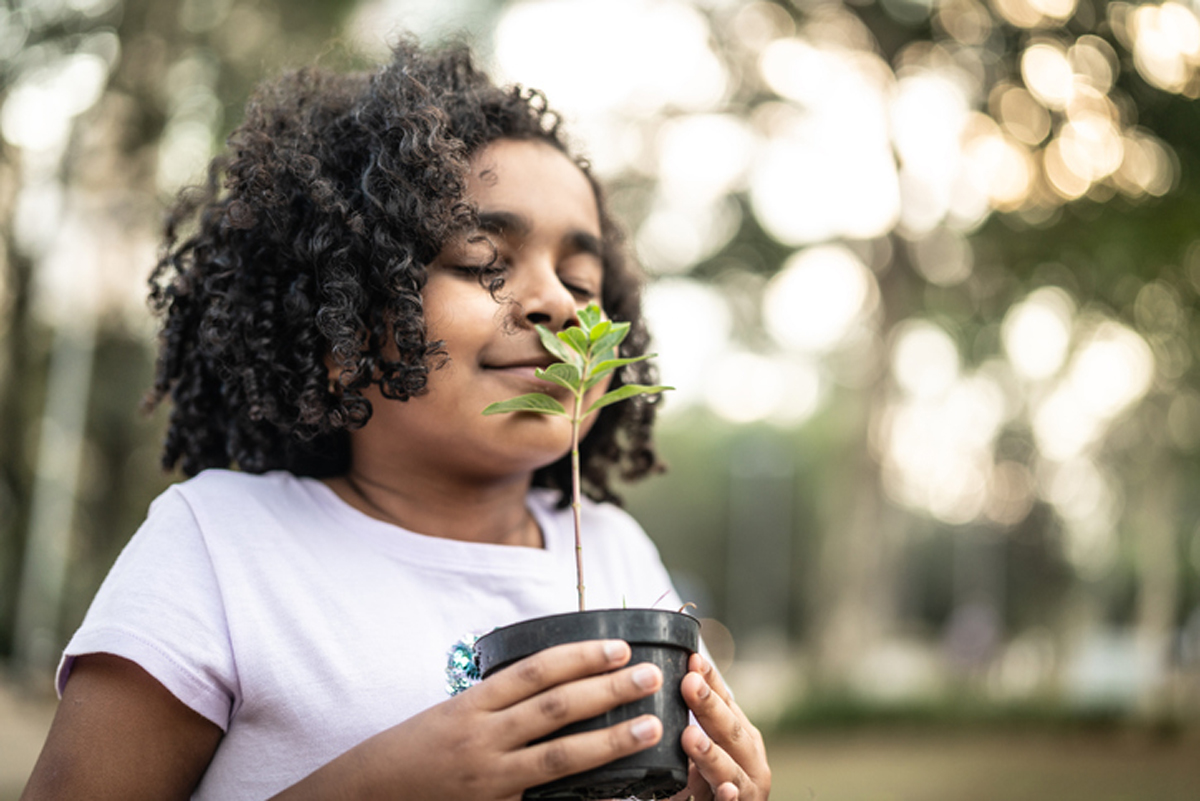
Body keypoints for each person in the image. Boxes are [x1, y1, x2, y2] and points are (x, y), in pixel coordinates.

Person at [22, 37, 771, 801]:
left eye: (581, 277)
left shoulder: (615, 550)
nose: (557, 302)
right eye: (485, 263)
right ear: (344, 328)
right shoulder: (218, 547)